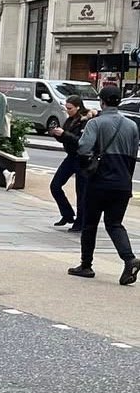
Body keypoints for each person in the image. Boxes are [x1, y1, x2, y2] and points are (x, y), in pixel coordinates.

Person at [70, 84, 140, 283]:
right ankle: (129, 259)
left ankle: (86, 265)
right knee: (115, 224)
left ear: (101, 101)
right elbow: (134, 155)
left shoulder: (95, 123)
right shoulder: (132, 126)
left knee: (90, 223)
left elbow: (83, 148)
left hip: (99, 181)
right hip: (122, 182)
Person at [48, 94, 90, 230]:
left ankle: (80, 221)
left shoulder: (85, 121)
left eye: (70, 108)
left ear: (78, 107)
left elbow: (81, 141)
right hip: (71, 157)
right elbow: (66, 138)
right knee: (55, 185)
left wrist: (64, 134)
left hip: (82, 158)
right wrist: (57, 134)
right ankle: (67, 214)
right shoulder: (70, 120)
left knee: (81, 192)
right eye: (66, 108)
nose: (67, 110)